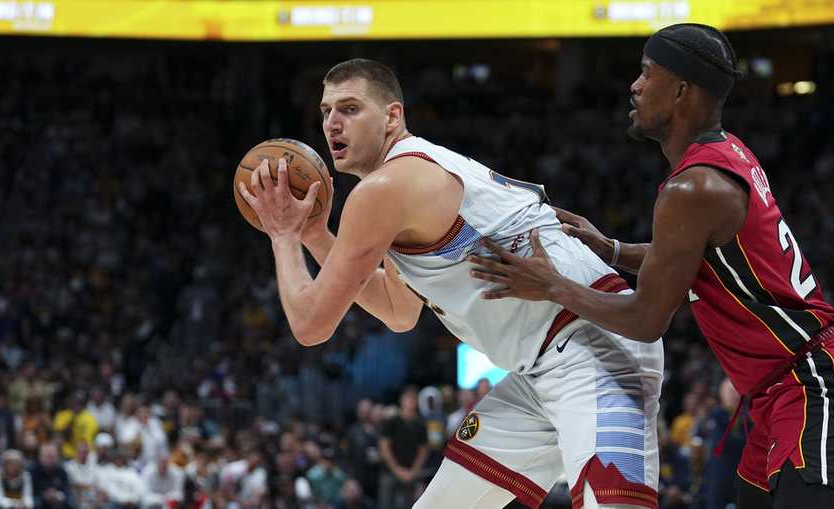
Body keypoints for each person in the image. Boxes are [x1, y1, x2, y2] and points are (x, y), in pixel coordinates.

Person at [466, 23, 834, 509]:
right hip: (779, 392)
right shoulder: (727, 154)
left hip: (818, 383)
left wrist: (553, 286)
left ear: (682, 90)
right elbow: (693, 259)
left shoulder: (693, 189)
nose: (635, 85)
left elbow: (646, 320)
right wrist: (613, 250)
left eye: (647, 73)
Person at [237, 58, 664, 508]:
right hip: (540, 370)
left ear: (392, 116)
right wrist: (314, 235)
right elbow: (398, 311)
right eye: (325, 111)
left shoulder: (386, 188)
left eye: (349, 108)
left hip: (594, 351)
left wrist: (283, 235)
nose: (332, 124)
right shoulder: (407, 179)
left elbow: (310, 324)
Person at [377, 387, 428, 509]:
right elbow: (384, 447)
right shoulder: (391, 421)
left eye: (413, 398)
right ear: (402, 400)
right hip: (390, 472)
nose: (410, 401)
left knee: (410, 505)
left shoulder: (420, 424)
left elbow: (424, 450)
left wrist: (413, 471)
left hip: (411, 472)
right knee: (385, 505)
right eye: (408, 398)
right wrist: (397, 469)